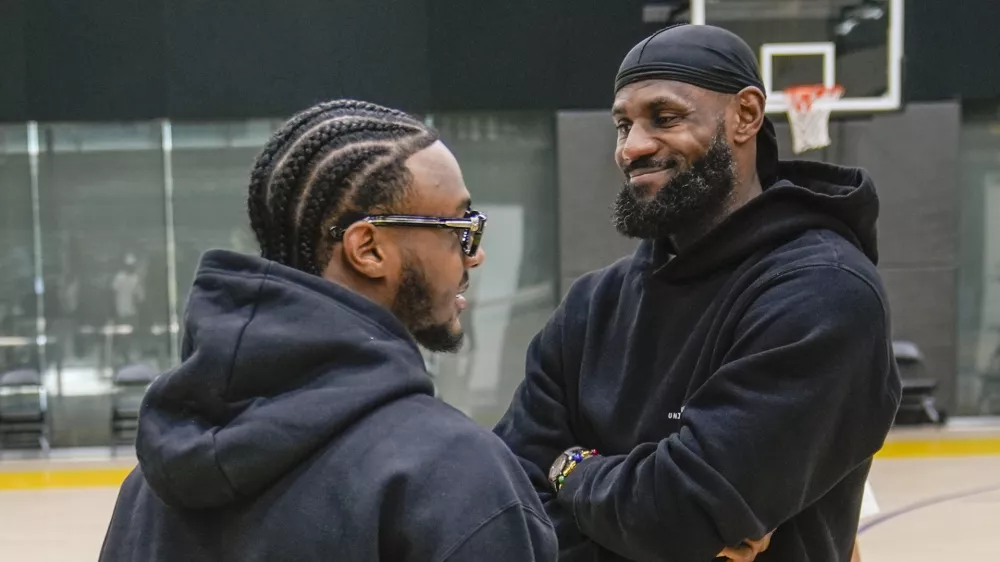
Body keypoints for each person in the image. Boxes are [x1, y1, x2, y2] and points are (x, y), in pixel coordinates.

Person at [494, 24, 901, 562]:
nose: (632, 147)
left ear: (746, 115)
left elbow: (676, 514)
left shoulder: (825, 294)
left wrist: (568, 466)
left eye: (665, 117)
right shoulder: (591, 306)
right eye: (622, 125)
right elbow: (506, 495)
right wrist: (636, 507)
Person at [99, 100, 557, 562]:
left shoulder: (150, 488)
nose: (473, 255)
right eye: (458, 227)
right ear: (368, 249)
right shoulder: (456, 476)